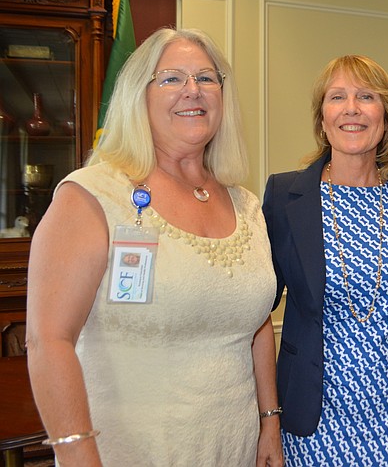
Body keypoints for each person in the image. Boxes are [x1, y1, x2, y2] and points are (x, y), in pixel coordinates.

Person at [26, 28, 283, 467]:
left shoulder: (246, 204)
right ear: (137, 95)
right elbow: (48, 340)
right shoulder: (92, 195)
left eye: (206, 78)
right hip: (127, 451)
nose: (192, 91)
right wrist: (76, 453)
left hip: (233, 446)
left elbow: (255, 323)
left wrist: (270, 422)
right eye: (171, 79)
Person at [262, 54, 388, 465]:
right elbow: (255, 305)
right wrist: (266, 417)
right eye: (337, 97)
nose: (352, 109)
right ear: (322, 119)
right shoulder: (286, 197)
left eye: (366, 97)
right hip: (315, 413)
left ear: (386, 117)